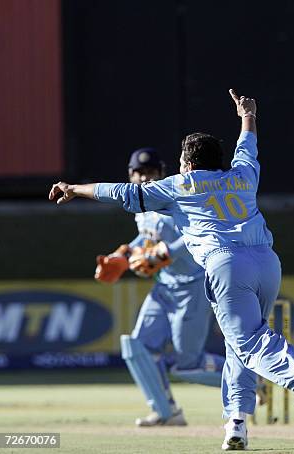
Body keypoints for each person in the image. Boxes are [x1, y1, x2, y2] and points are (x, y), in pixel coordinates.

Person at [49, 89, 294, 451]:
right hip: (266, 262)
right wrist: (248, 115)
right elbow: (247, 146)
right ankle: (236, 423)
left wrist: (74, 188)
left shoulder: (179, 186)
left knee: (247, 342)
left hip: (227, 266)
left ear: (186, 163)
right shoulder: (243, 176)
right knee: (238, 345)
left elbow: (120, 192)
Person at [93, 147, 225, 427]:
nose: (144, 179)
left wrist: (165, 253)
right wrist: (123, 255)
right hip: (164, 287)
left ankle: (251, 378)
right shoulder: (141, 206)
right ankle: (167, 412)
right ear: (130, 175)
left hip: (192, 287)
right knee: (139, 347)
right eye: (139, 173)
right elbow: (147, 238)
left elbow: (195, 236)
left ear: (161, 174)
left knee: (189, 366)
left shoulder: (173, 197)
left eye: (150, 173)